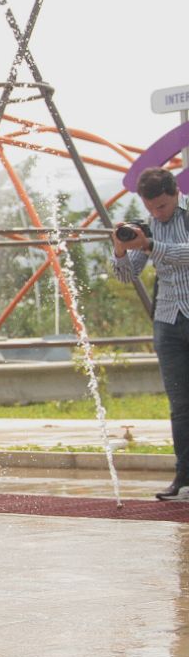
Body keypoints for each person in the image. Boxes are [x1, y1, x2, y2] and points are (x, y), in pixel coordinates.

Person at [111, 166, 189, 501]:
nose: (157, 212)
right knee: (180, 405)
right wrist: (120, 249)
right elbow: (128, 276)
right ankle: (184, 479)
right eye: (151, 207)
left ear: (174, 193)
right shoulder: (144, 227)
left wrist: (151, 246)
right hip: (168, 321)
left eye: (162, 206)